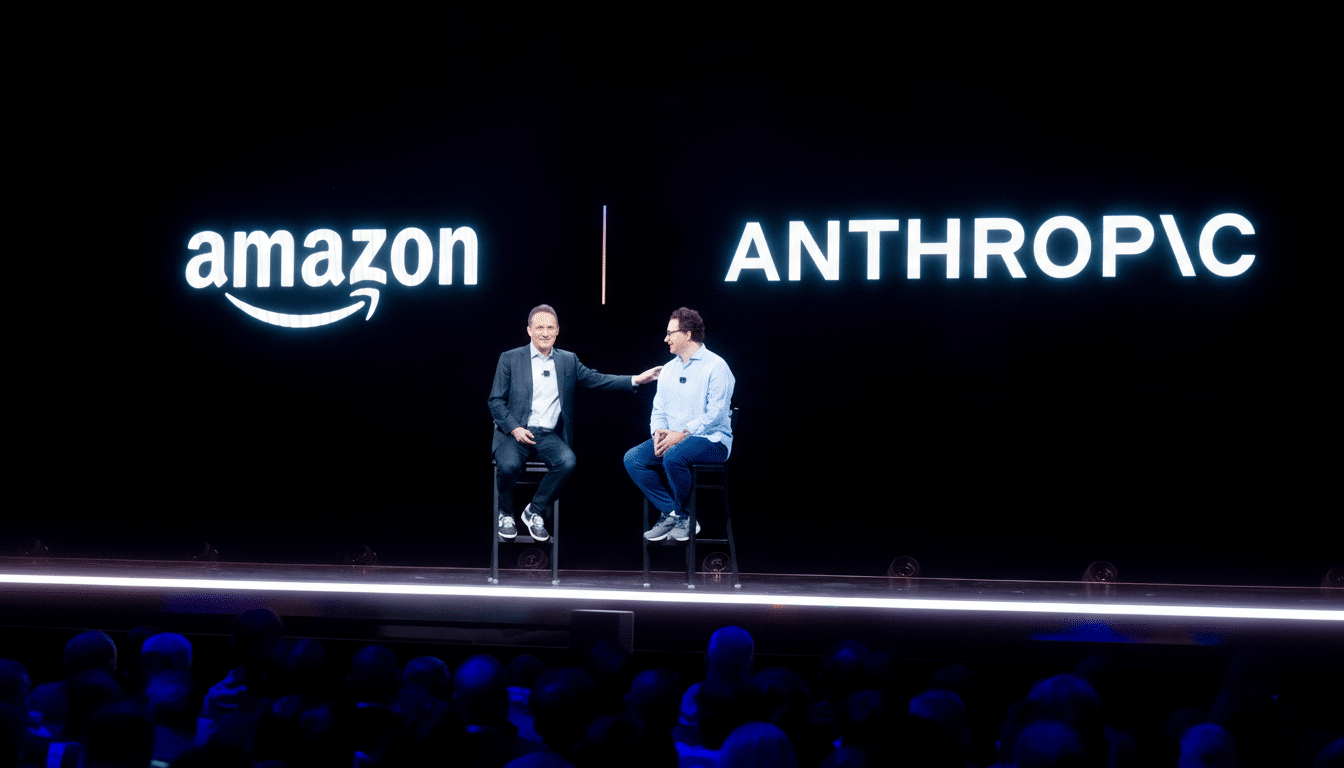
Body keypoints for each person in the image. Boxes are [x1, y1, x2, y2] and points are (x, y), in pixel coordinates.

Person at [490, 304, 662, 541]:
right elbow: (495, 401)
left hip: (547, 435)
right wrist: (515, 428)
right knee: (508, 466)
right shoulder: (510, 358)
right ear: (529, 330)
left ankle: (534, 511)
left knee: (568, 462)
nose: (545, 332)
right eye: (539, 327)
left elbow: (596, 379)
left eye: (550, 327)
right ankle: (506, 514)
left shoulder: (567, 361)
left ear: (558, 330)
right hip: (514, 432)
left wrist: (636, 379)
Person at [624, 307, 735, 542]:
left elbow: (715, 414)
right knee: (633, 459)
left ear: (686, 334)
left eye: (670, 333)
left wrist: (682, 433)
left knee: (674, 455)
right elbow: (659, 410)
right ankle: (674, 513)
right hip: (674, 440)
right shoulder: (668, 370)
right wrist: (657, 433)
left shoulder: (716, 366)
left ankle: (684, 516)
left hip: (712, 441)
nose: (666, 339)